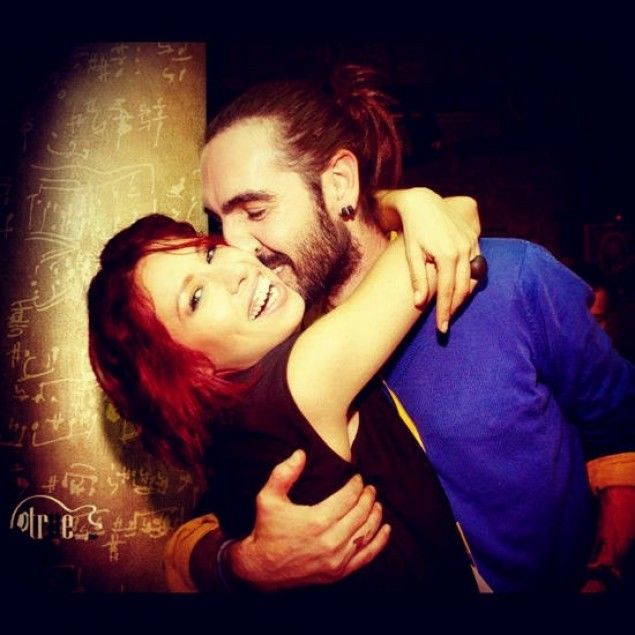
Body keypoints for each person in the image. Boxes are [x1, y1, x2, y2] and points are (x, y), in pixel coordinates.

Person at [165, 64, 635, 594]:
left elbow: (620, 425)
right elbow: (206, 520)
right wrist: (243, 563)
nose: (234, 246)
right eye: (219, 222)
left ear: (339, 184)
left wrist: (605, 574)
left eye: (254, 210)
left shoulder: (511, 280)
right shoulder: (277, 354)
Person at [87, 191, 483, 594]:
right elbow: (453, 218)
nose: (234, 272)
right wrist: (400, 201)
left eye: (208, 254)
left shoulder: (234, 433)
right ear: (183, 368)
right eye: (196, 298)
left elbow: (192, 544)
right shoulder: (298, 382)